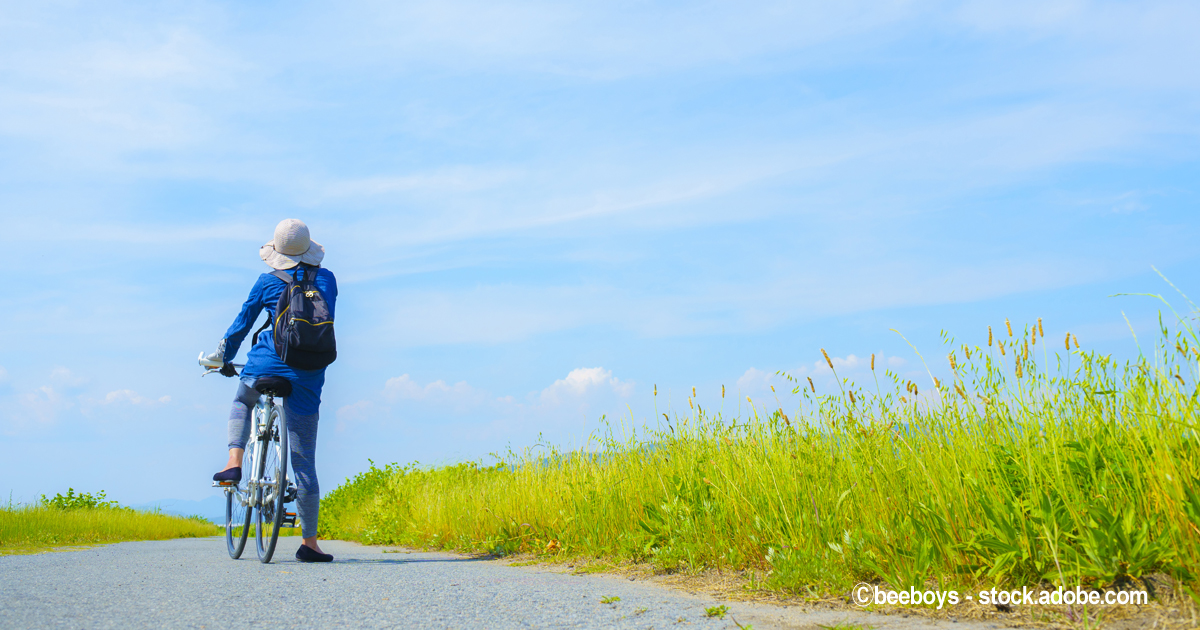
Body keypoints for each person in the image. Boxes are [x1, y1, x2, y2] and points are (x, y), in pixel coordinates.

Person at [205, 218, 338, 563]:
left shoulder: (266, 282)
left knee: (242, 398)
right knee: (304, 463)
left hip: (265, 364)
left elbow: (241, 325)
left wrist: (223, 358)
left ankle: (234, 461)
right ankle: (310, 544)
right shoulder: (326, 279)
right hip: (309, 372)